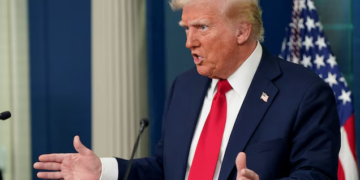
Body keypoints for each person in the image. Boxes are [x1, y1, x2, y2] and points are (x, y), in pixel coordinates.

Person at [33, 0, 340, 179]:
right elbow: (167, 169)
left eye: (202, 28)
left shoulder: (304, 92)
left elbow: (316, 175)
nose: (189, 42)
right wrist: (105, 170)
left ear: (242, 31)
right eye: (186, 29)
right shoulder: (185, 86)